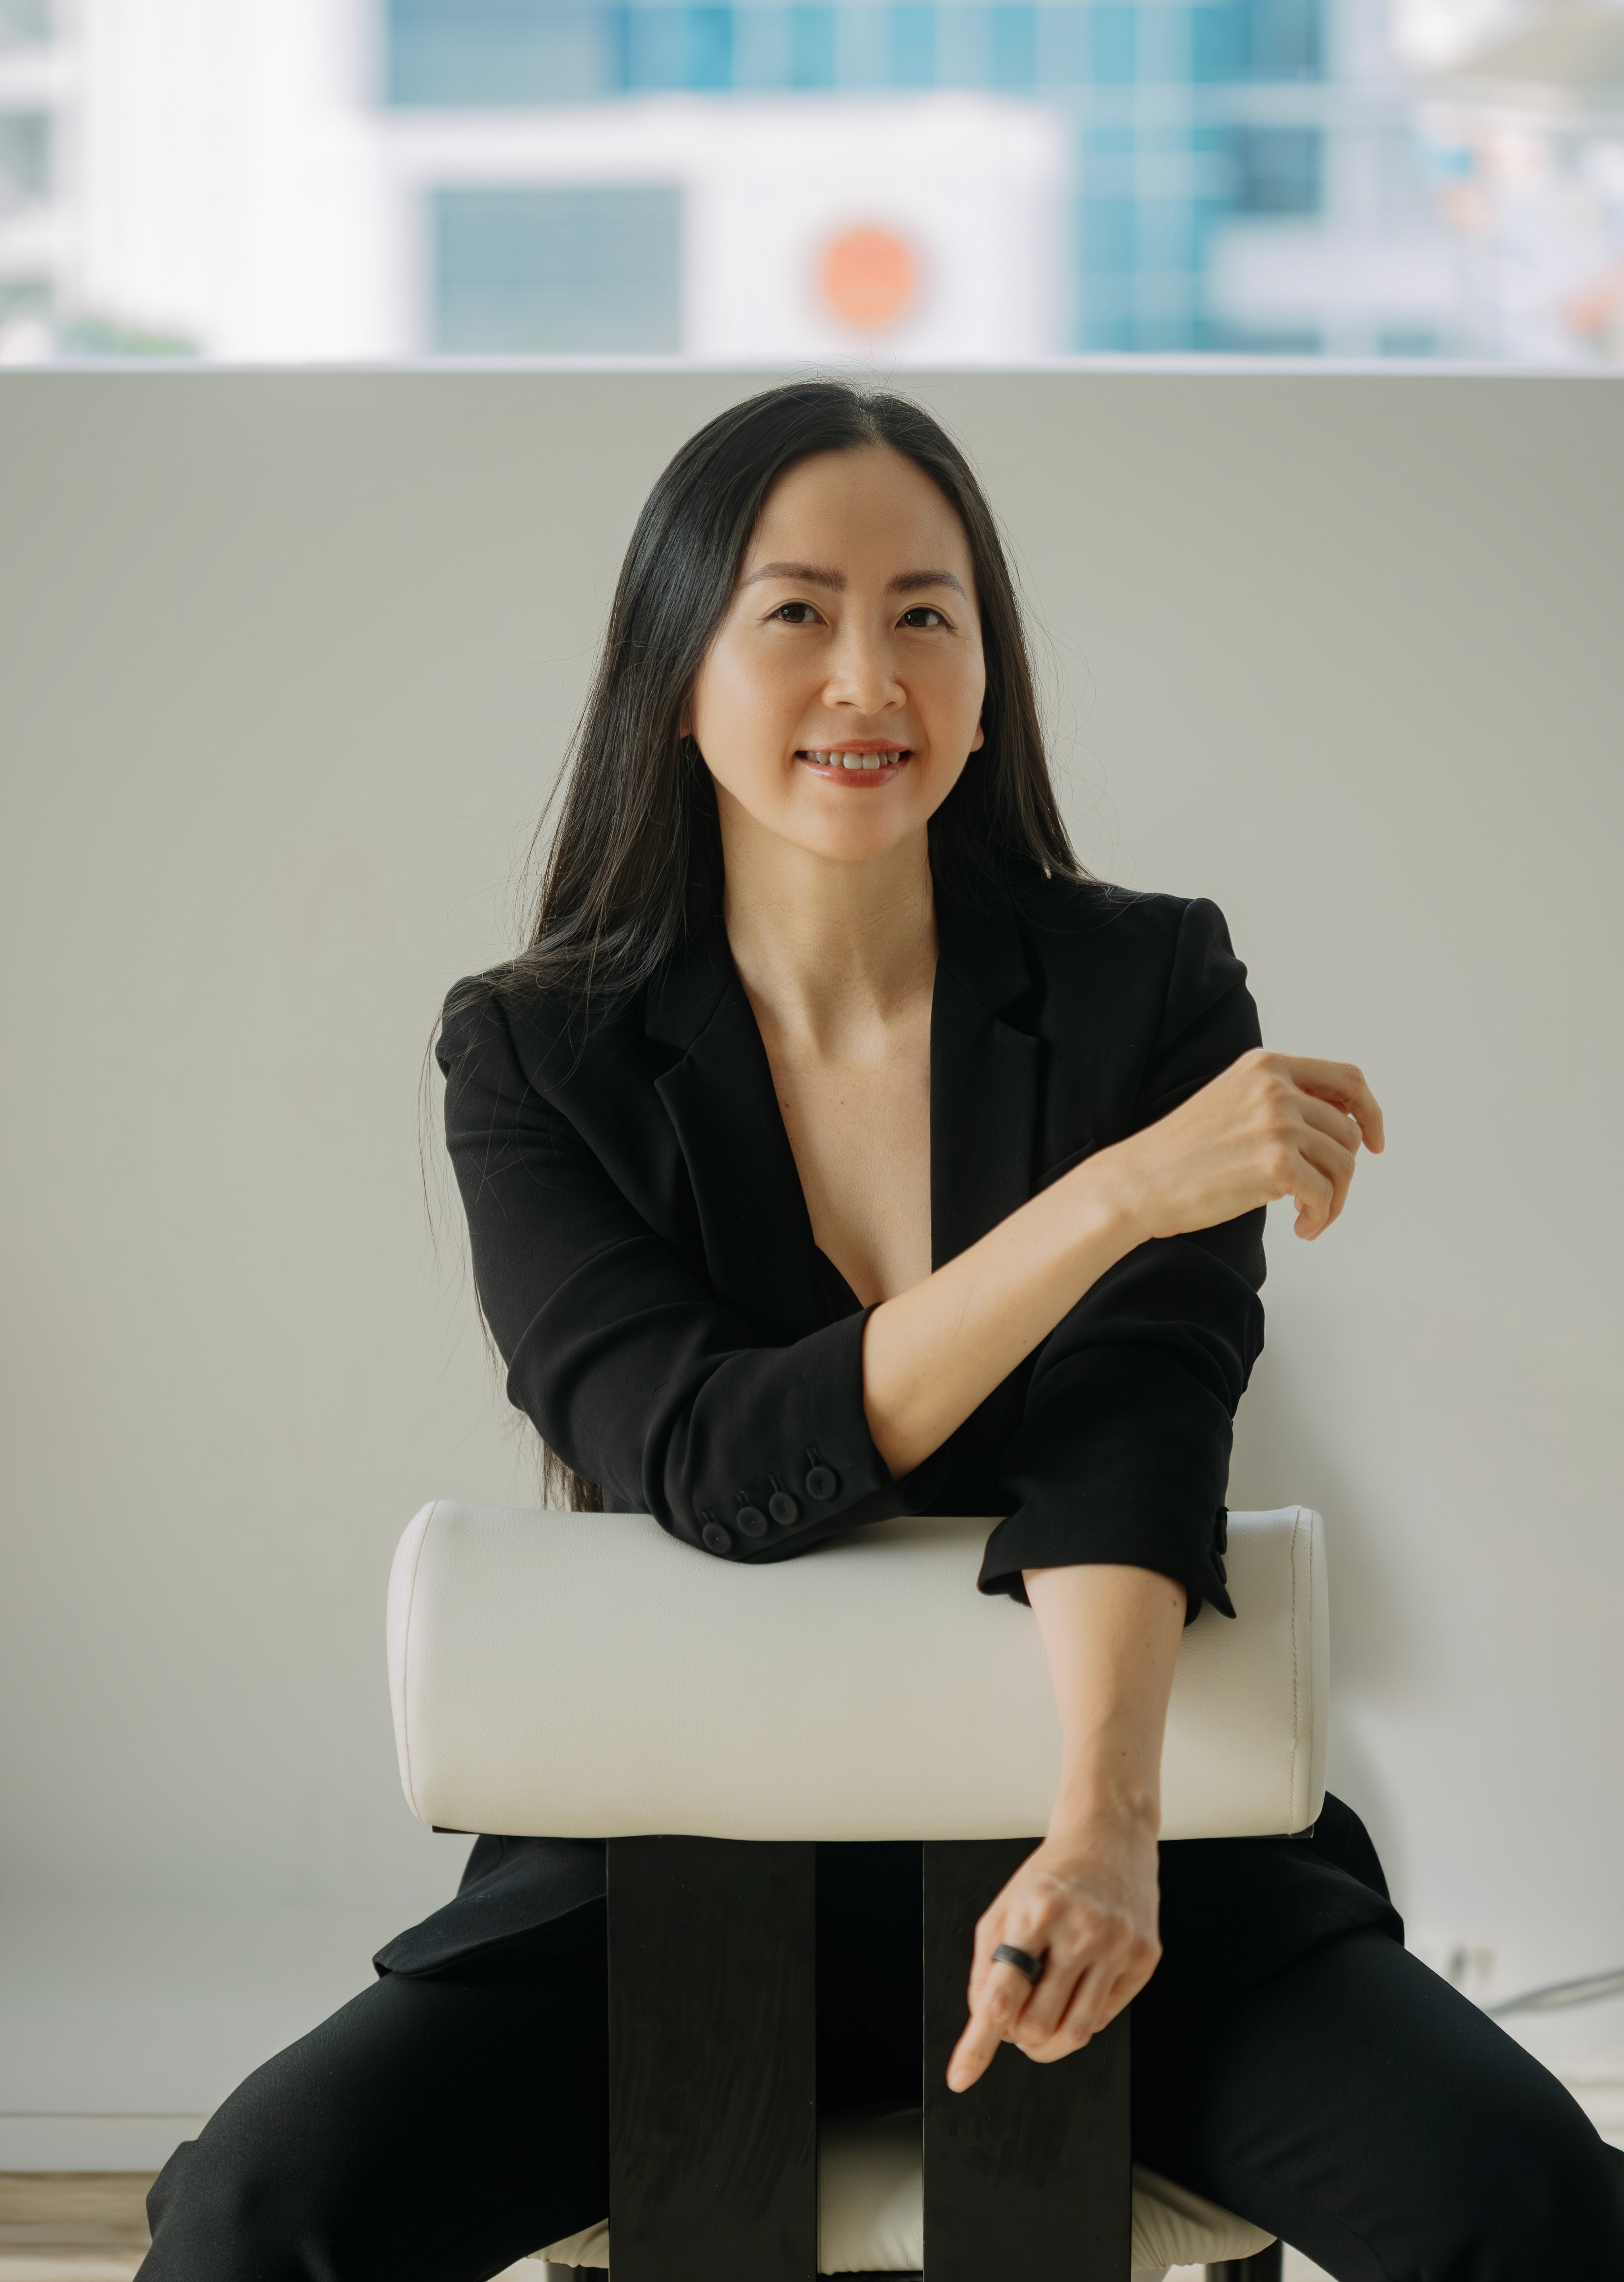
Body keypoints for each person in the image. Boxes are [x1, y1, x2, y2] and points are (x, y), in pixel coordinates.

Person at [140, 383, 1623, 2282]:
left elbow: (1133, 1432)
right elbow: (714, 1464)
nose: (870, 676)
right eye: (795, 613)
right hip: (657, 1884)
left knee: (1526, 2195)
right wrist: (1111, 1199)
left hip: (1104, 1843)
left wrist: (1104, 1827)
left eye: (927, 614)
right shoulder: (534, 1051)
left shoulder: (1144, 984)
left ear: (987, 685)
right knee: (256, 2214)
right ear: (674, 679)